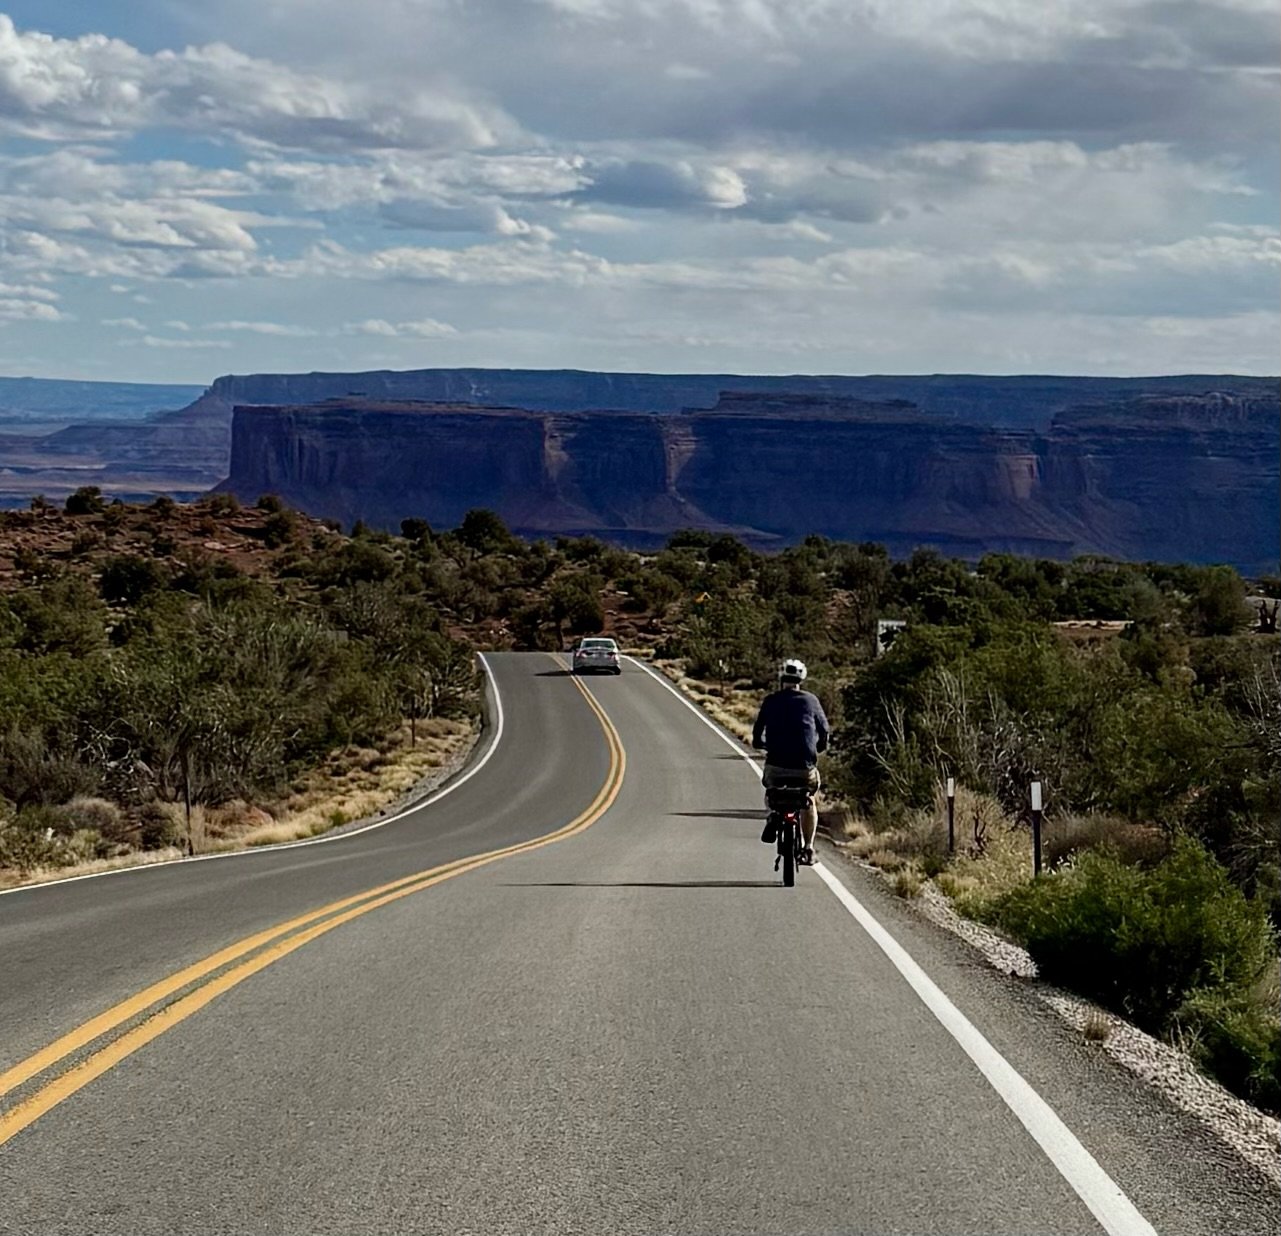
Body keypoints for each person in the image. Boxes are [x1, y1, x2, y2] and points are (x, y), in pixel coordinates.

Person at [751, 657, 829, 865]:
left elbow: (758, 730)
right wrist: (819, 747)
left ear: (781, 677)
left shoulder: (771, 700)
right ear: (801, 679)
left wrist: (760, 743)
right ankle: (809, 848)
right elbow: (824, 730)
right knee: (809, 798)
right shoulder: (811, 701)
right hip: (804, 767)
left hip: (776, 766)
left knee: (771, 789)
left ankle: (772, 815)